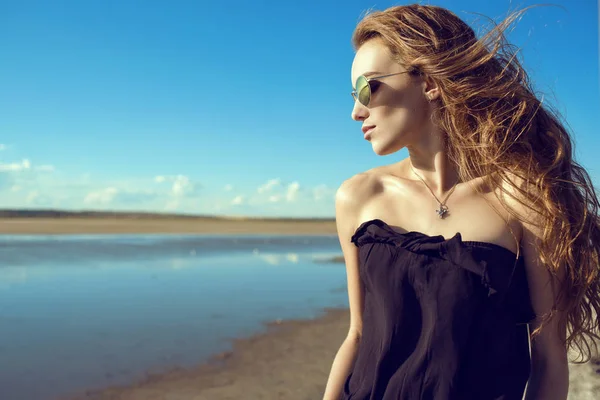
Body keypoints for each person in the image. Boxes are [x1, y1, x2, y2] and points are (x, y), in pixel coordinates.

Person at [322, 4, 600, 400]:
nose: (355, 111)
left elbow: (549, 358)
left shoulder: (522, 196)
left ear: (430, 81)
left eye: (368, 87)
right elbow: (358, 335)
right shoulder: (358, 197)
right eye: (353, 94)